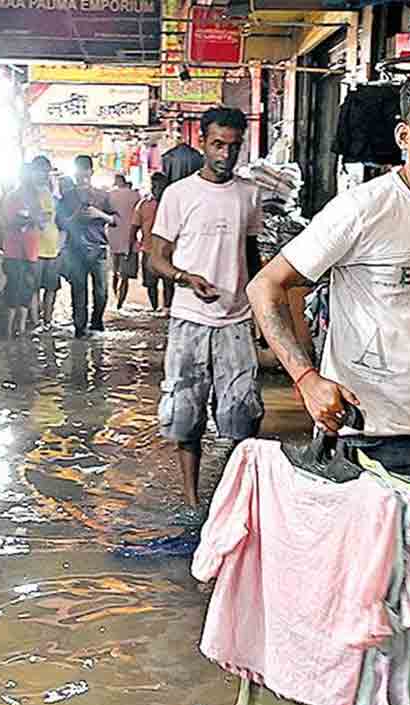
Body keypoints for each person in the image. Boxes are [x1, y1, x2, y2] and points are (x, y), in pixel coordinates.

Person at [248, 62, 410, 519]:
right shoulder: (364, 209)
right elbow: (266, 285)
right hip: (364, 436)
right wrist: (306, 379)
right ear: (405, 136)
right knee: (363, 585)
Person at [150, 107, 263, 528]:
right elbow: (155, 257)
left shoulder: (249, 194)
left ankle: (230, 502)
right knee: (185, 412)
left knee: (242, 415)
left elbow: (251, 255)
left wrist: (262, 312)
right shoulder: (178, 195)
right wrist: (184, 277)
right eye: (218, 144)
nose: (226, 154)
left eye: (234, 146)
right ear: (202, 142)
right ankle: (192, 500)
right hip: (189, 318)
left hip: (236, 319)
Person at [57, 155, 117, 339]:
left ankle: (97, 322)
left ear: (91, 172)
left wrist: (99, 214)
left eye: (85, 171)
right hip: (75, 250)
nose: (81, 176)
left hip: (98, 248)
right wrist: (74, 218)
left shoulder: (103, 195)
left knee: (101, 291)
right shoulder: (67, 197)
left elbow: (116, 220)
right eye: (78, 172)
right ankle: (80, 328)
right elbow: (59, 223)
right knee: (78, 289)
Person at [0, 164, 42, 338]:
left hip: (30, 249)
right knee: (13, 288)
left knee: (27, 288)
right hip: (14, 250)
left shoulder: (36, 198)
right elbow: (7, 222)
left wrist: (35, 219)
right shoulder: (12, 197)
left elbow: (42, 221)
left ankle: (22, 328)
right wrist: (28, 220)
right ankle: (9, 330)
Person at [132, 172, 173, 313]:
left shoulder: (172, 204)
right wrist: (133, 242)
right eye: (155, 185)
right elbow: (134, 226)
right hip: (149, 249)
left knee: (169, 281)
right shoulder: (143, 204)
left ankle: (167, 307)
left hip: (169, 251)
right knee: (151, 283)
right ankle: (155, 307)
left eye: (160, 186)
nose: (158, 189)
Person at [30, 155, 61, 332]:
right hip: (35, 246)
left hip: (53, 246)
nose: (44, 174)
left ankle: (48, 321)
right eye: (41, 171)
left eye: (46, 171)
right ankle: (36, 322)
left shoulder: (52, 191)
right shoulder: (28, 192)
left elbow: (57, 217)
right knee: (34, 287)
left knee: (51, 287)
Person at [107, 173, 141, 309]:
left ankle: (116, 297)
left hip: (114, 236)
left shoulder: (110, 195)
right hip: (129, 238)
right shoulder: (135, 195)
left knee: (115, 271)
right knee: (125, 275)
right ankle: (120, 303)